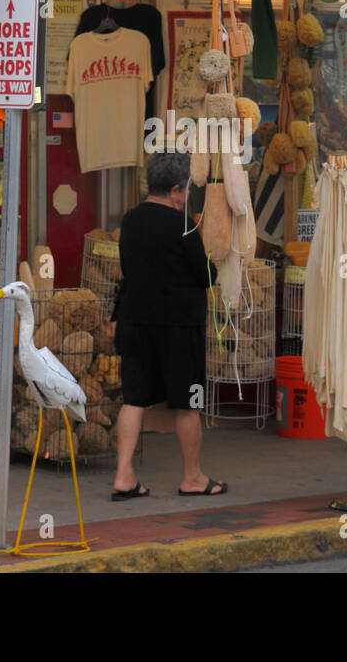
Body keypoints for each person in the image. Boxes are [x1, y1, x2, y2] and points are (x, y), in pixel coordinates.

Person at [111, 152, 227, 499]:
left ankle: (124, 476)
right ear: (177, 189)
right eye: (187, 189)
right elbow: (205, 275)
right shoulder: (184, 224)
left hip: (134, 321)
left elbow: (129, 268)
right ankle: (192, 477)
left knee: (134, 398)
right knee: (188, 401)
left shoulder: (130, 220)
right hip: (178, 327)